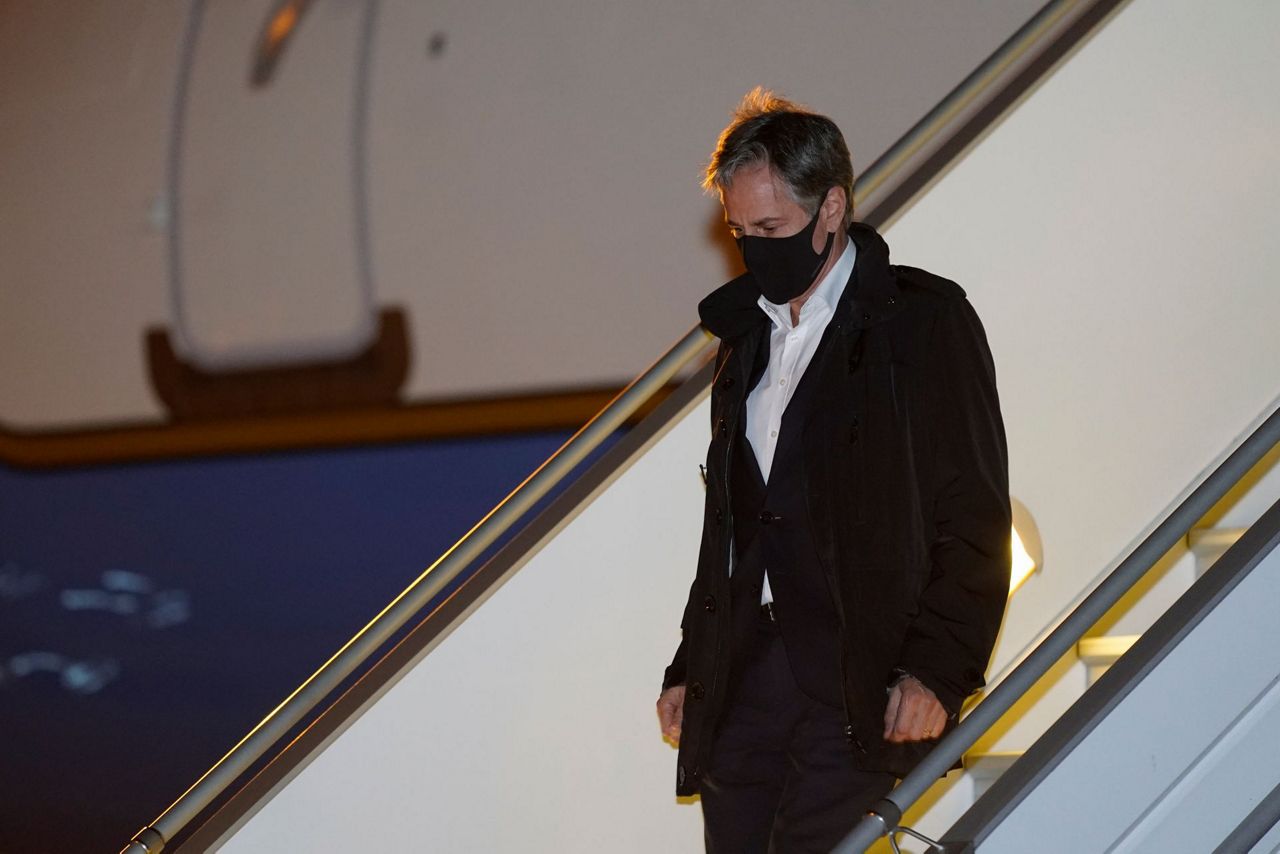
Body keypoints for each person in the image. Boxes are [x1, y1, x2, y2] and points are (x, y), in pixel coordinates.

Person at [656, 88, 1011, 853]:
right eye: (740, 232)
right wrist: (694, 660)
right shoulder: (742, 338)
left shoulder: (922, 321)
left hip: (858, 679)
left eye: (772, 228)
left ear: (832, 209)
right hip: (747, 684)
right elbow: (729, 524)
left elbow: (974, 517)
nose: (754, 250)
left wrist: (938, 672)